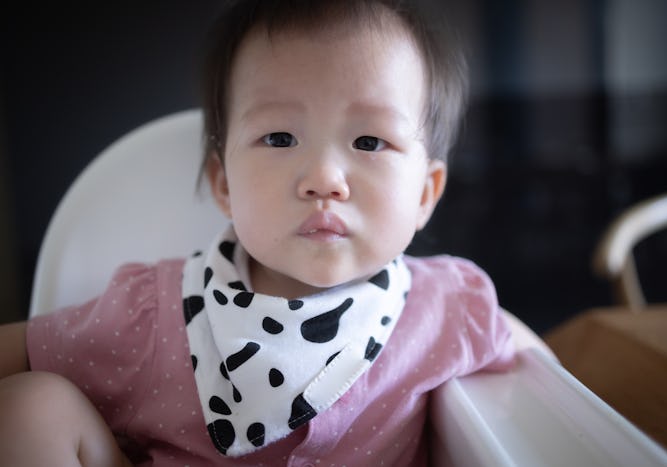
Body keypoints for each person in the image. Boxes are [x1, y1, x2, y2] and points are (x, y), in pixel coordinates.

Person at [0, 0, 514, 465]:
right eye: (280, 137)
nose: (324, 180)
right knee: (30, 408)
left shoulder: (448, 307)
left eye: (369, 141)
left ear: (425, 192)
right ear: (224, 183)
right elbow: (22, 352)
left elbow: (553, 399)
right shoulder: (153, 315)